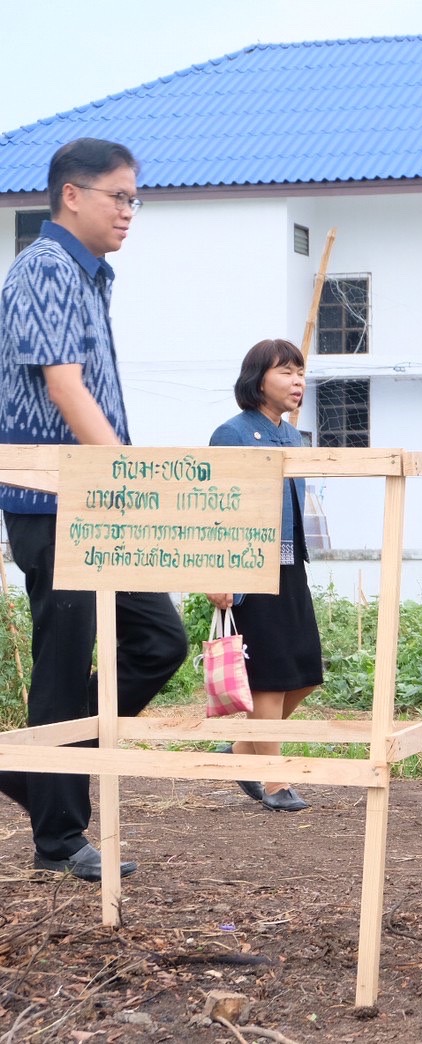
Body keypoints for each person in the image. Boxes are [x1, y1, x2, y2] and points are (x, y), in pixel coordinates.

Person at [0, 138, 187, 881]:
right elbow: (63, 386)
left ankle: (36, 776)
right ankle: (58, 836)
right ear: (71, 195)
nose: (129, 211)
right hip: (55, 497)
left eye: (134, 198)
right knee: (63, 654)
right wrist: (128, 478)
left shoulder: (89, 277)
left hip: (98, 495)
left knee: (157, 640)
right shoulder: (43, 267)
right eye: (120, 196)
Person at [206, 339, 322, 813]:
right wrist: (217, 573)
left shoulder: (292, 436)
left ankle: (240, 750)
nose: (298, 382)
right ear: (258, 379)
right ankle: (275, 781)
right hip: (249, 567)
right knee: (270, 676)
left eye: (300, 373)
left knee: (305, 671)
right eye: (287, 373)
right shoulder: (231, 433)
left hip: (291, 565)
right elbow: (213, 507)